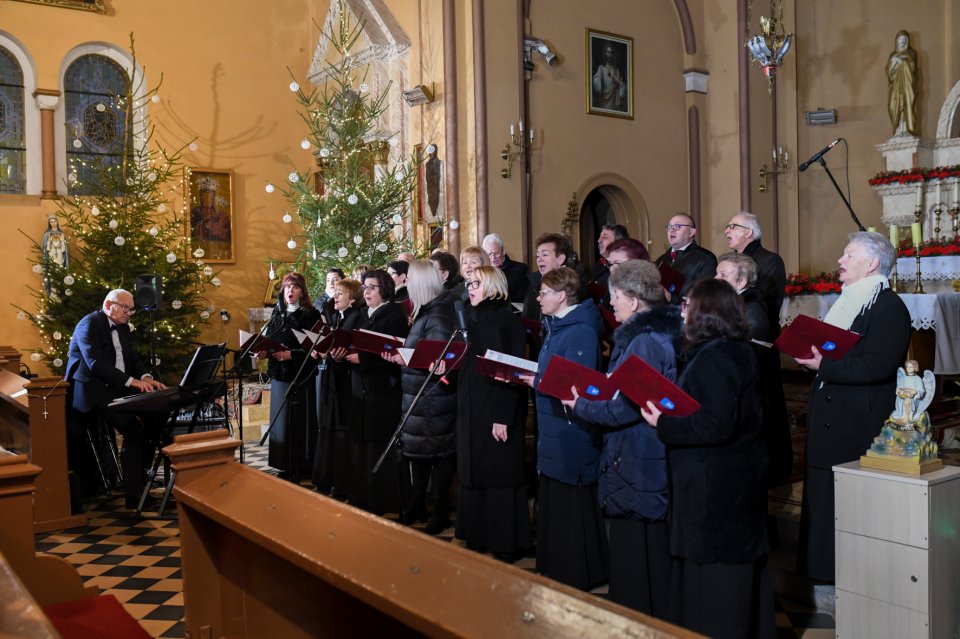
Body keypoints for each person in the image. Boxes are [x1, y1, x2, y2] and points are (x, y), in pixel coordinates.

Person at [640, 278, 772, 638]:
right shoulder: (727, 349)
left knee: (717, 593)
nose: (682, 311)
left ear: (706, 312)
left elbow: (715, 425)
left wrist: (663, 422)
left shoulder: (718, 357)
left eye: (688, 305)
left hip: (717, 494)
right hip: (724, 487)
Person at [560, 260, 680, 616]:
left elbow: (626, 408)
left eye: (614, 295)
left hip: (639, 457)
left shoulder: (644, 342)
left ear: (631, 298)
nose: (610, 302)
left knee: (640, 559)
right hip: (639, 455)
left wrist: (581, 405)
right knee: (641, 557)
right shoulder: (651, 335)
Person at [795, 231, 911, 582]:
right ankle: (820, 580)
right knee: (822, 501)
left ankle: (848, 583)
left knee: (847, 507)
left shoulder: (889, 306)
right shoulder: (849, 300)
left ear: (873, 263)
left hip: (856, 422)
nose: (840, 261)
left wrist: (824, 366)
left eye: (849, 255)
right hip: (830, 417)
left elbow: (879, 364)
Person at [517, 266, 607, 590]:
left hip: (571, 429)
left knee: (575, 505)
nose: (538, 298)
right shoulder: (556, 327)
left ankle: (580, 571)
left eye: (543, 293)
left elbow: (576, 384)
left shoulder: (579, 330)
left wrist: (535, 380)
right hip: (555, 426)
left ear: (561, 295)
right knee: (557, 500)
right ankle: (558, 566)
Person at [454, 266, 532, 561]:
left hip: (496, 405)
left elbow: (510, 371)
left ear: (492, 286)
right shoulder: (470, 316)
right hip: (471, 404)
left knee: (498, 474)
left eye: (476, 283)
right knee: (475, 471)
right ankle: (478, 535)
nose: (470, 288)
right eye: (469, 283)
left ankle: (504, 542)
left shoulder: (505, 319)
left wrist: (502, 416)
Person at [65, 289, 166, 508]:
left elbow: (132, 358)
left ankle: (142, 482)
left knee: (156, 420)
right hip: (97, 391)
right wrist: (132, 382)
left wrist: (145, 377)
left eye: (132, 309)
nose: (130, 313)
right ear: (110, 304)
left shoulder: (121, 326)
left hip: (119, 387)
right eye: (126, 308)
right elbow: (96, 364)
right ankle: (134, 496)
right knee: (134, 432)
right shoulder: (89, 324)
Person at [384, 261, 458, 534]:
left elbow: (437, 360)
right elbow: (422, 355)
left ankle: (438, 514)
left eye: (412, 281)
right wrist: (400, 357)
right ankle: (418, 505)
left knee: (437, 457)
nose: (408, 287)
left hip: (433, 399)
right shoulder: (427, 312)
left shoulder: (438, 314)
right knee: (421, 456)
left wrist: (409, 359)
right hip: (421, 396)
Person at [716, 253, 793, 487]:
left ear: (741, 282)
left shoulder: (752, 309)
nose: (716, 278)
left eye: (723, 274)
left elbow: (751, 352)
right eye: (716, 273)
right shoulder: (734, 304)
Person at [347, 269, 411, 516]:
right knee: (361, 443)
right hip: (359, 388)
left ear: (384, 289)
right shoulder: (361, 314)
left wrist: (361, 358)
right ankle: (362, 496)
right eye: (365, 287)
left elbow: (394, 353)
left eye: (372, 287)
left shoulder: (394, 315)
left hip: (382, 389)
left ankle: (383, 500)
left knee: (378, 443)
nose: (367, 291)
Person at [260, 272, 322, 483]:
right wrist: (263, 350)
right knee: (280, 421)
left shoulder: (310, 314)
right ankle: (283, 463)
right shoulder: (278, 313)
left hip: (300, 375)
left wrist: (290, 354)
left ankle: (303, 465)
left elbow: (316, 349)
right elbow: (270, 340)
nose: (290, 291)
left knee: (299, 421)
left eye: (295, 287)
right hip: (279, 374)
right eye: (287, 287)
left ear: (302, 292)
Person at [312, 278, 364, 498]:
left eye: (340, 294)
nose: (335, 297)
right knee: (329, 429)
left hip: (346, 385)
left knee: (342, 433)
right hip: (333, 380)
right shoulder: (340, 317)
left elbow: (348, 347)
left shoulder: (354, 317)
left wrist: (333, 354)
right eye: (335, 292)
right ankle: (329, 477)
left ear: (352, 298)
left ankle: (343, 483)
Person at [724, 211, 786, 332]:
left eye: (732, 226)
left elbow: (768, 304)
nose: (726, 231)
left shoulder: (771, 260)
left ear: (748, 232)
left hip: (756, 334)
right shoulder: (730, 261)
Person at [655, 213, 716, 298]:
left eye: (677, 226)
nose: (672, 230)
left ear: (691, 232)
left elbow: (707, 294)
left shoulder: (706, 258)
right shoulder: (661, 260)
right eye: (669, 227)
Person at [482, 232, 530, 303]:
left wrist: (497, 298)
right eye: (489, 254)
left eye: (496, 253)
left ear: (503, 251)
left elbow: (524, 297)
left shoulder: (520, 269)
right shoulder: (481, 272)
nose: (493, 258)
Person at [887, 30, 918, 137]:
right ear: (896, 41)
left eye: (905, 39)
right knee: (892, 106)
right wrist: (894, 62)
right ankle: (897, 129)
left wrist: (902, 61)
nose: (902, 42)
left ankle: (906, 129)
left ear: (908, 41)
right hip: (895, 87)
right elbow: (889, 74)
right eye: (900, 39)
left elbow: (913, 69)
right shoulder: (892, 55)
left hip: (907, 86)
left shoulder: (911, 53)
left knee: (906, 104)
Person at [592, 42, 627, 111]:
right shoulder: (601, 68)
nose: (610, 55)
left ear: (613, 55)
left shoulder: (616, 69)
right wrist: (599, 78)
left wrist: (617, 80)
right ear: (605, 54)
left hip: (613, 101)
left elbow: (622, 89)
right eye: (608, 52)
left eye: (611, 53)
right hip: (604, 102)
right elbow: (597, 86)